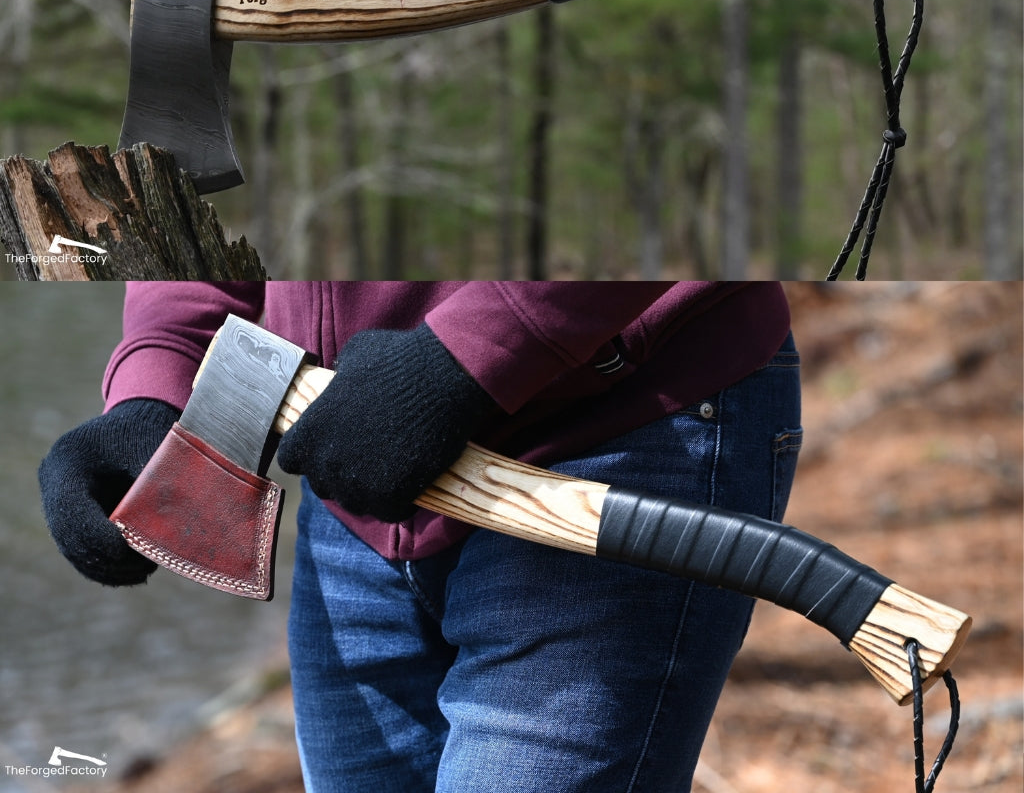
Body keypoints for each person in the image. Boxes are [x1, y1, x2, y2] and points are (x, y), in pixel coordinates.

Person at [39, 281, 802, 793]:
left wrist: (475, 350)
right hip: (356, 471)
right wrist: (161, 376)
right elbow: (205, 153)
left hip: (614, 436)